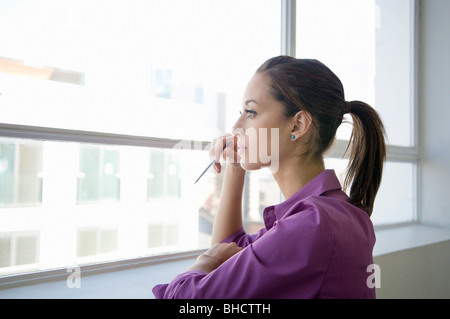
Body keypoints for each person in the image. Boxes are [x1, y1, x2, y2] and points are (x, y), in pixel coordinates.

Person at [152, 56, 386, 299]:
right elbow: (231, 255)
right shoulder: (335, 213)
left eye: (250, 112)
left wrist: (204, 261)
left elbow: (184, 299)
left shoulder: (311, 224)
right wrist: (236, 166)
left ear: (297, 126)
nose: (235, 127)